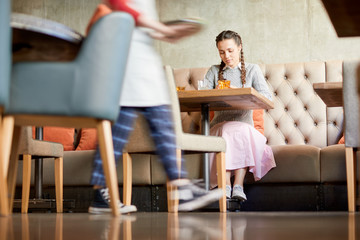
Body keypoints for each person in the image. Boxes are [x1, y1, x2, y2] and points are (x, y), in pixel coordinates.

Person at [88, 0, 223, 214]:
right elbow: (119, 4)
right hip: (128, 62)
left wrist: (169, 34)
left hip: (140, 62)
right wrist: (163, 28)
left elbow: (139, 25)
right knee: (120, 134)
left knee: (153, 127)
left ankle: (179, 187)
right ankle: (101, 194)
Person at [203, 30, 276, 201]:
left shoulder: (252, 70)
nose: (226, 56)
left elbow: (268, 98)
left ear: (239, 48)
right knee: (228, 130)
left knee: (236, 131)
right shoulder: (213, 71)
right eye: (221, 52)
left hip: (245, 128)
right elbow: (203, 93)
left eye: (230, 51)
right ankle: (227, 185)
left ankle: (237, 185)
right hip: (219, 127)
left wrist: (241, 92)